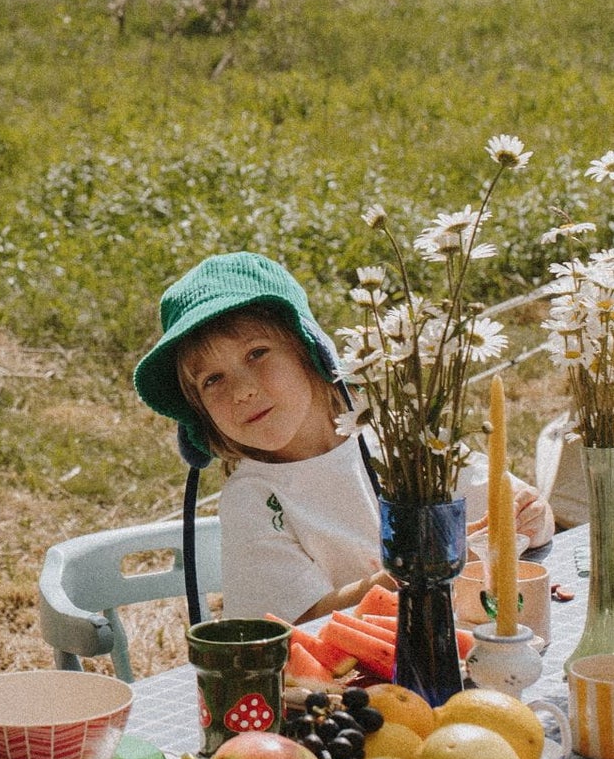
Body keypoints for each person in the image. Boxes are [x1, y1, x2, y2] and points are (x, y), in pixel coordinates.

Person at [133, 253, 553, 625]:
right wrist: (401, 580)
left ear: (312, 352)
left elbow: (519, 517)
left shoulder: (397, 439)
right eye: (212, 380)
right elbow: (297, 622)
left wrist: (529, 517)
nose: (240, 390)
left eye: (256, 353)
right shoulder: (255, 499)